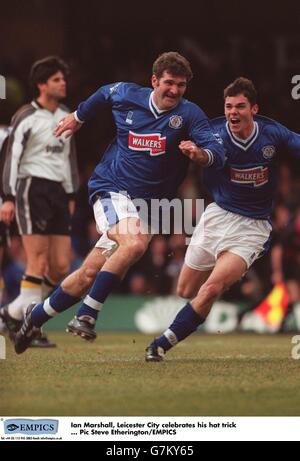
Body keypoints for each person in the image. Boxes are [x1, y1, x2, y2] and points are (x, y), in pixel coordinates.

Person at [13, 51, 225, 354]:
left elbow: (215, 151)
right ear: (154, 81)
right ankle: (87, 313)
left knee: (88, 274)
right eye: (169, 83)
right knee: (135, 243)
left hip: (151, 207)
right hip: (112, 189)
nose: (174, 90)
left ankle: (34, 317)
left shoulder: (190, 115)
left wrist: (200, 155)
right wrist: (79, 116)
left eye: (181, 85)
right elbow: (103, 94)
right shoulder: (127, 94)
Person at [145, 76, 300, 361]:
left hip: (253, 226)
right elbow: (202, 153)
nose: (233, 112)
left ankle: (161, 344)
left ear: (254, 109)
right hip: (217, 215)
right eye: (228, 106)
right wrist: (194, 153)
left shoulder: (272, 134)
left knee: (210, 288)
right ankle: (223, 279)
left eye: (240, 106)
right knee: (185, 289)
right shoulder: (213, 132)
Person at [0, 56, 79, 347]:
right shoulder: (25, 116)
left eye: (63, 79)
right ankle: (29, 326)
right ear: (42, 84)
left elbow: (69, 159)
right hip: (31, 189)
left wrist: (71, 194)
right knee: (39, 261)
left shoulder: (67, 115)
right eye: (58, 79)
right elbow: (11, 159)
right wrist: (8, 197)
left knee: (60, 266)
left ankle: (12, 311)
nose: (63, 83)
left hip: (58, 193)